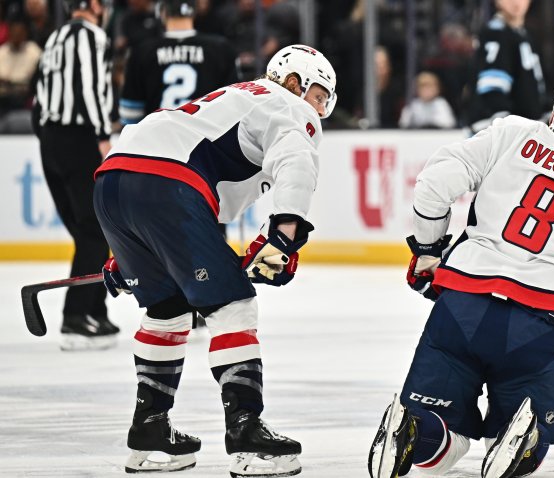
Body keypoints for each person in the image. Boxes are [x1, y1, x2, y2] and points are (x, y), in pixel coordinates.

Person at [368, 79, 554, 478]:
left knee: (442, 438)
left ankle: (413, 429)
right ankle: (519, 441)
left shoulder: (512, 132)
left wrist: (428, 252)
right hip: (538, 323)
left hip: (462, 303)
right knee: (533, 431)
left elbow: (434, 183)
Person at [92, 44, 336, 476]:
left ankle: (150, 429)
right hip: (168, 185)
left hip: (113, 181)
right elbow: (296, 160)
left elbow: (147, 159)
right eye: (319, 95)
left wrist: (133, 252)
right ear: (294, 81)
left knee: (165, 309)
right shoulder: (285, 102)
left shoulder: (235, 98)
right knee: (234, 305)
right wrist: (284, 234)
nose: (320, 110)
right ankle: (246, 434)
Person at [33, 0, 119, 351]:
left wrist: (47, 139)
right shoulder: (93, 36)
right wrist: (102, 137)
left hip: (51, 140)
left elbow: (38, 96)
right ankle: (76, 315)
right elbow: (89, 90)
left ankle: (95, 309)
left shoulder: (54, 38)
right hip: (81, 138)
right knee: (95, 229)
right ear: (95, 6)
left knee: (84, 230)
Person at [119, 0, 238, 124]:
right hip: (204, 138)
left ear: (163, 12)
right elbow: (233, 105)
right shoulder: (221, 48)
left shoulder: (142, 51)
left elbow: (130, 114)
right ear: (193, 12)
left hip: (158, 137)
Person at [467, 0, 545, 133]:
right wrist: (501, 120)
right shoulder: (495, 33)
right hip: (497, 130)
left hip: (523, 129)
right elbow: (492, 85)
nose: (516, 2)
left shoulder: (525, 35)